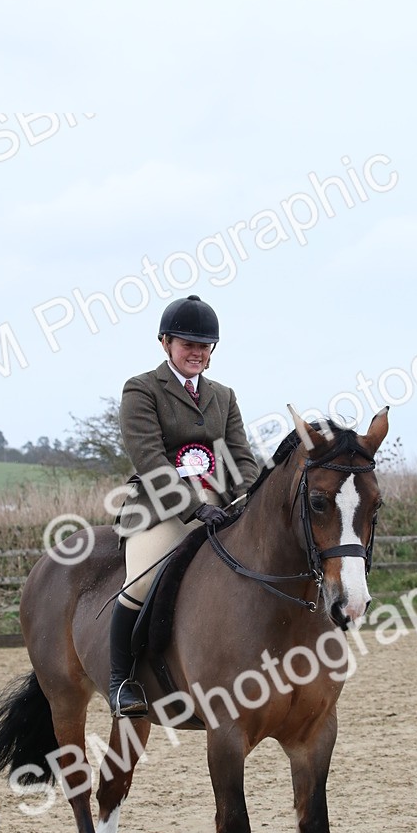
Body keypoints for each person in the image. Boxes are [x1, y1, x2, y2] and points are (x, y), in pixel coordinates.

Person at [109, 294, 259, 717]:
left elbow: (241, 455)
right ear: (165, 343)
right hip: (161, 505)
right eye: (187, 343)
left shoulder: (223, 396)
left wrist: (248, 497)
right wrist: (194, 508)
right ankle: (121, 682)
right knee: (140, 582)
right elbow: (150, 459)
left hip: (221, 503)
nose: (196, 352)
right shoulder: (141, 389)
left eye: (204, 345)